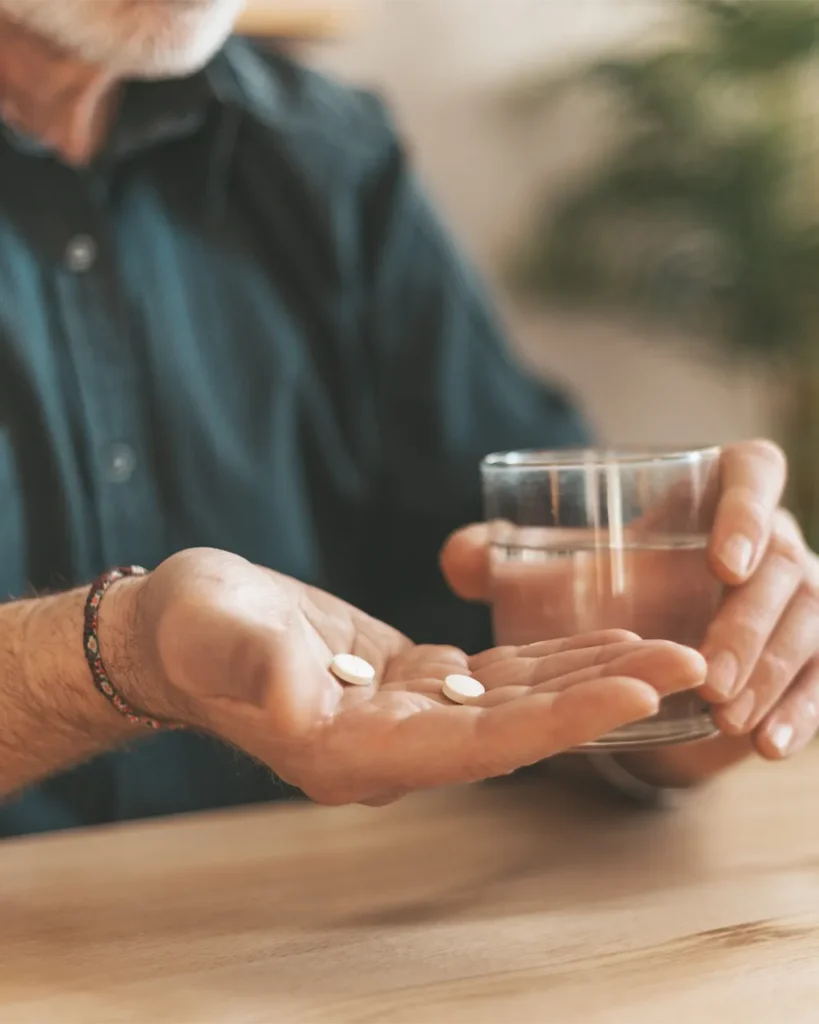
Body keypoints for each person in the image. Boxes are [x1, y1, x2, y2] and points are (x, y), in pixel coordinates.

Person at [0, 0, 817, 836]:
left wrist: (695, 669)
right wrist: (112, 653)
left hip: (321, 937)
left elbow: (506, 639)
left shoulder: (323, 149)